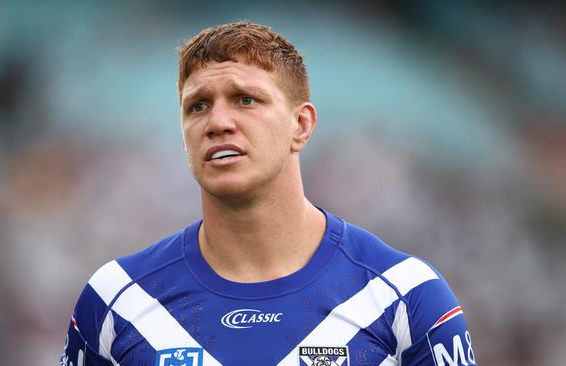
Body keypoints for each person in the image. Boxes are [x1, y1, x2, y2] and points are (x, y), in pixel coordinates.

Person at [61, 21, 477, 366]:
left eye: (246, 99)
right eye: (198, 106)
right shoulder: (116, 300)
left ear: (302, 125)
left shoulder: (404, 296)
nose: (218, 121)